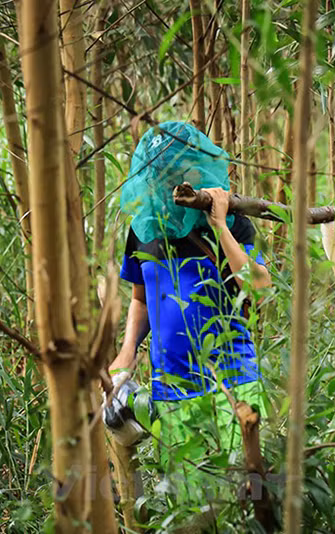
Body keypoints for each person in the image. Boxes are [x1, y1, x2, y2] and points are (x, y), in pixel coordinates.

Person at [103, 121, 270, 520]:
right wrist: (127, 353)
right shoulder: (144, 228)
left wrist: (220, 227)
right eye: (163, 173)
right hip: (171, 390)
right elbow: (140, 299)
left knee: (243, 505)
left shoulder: (229, 220)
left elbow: (259, 286)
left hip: (231, 384)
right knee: (194, 512)